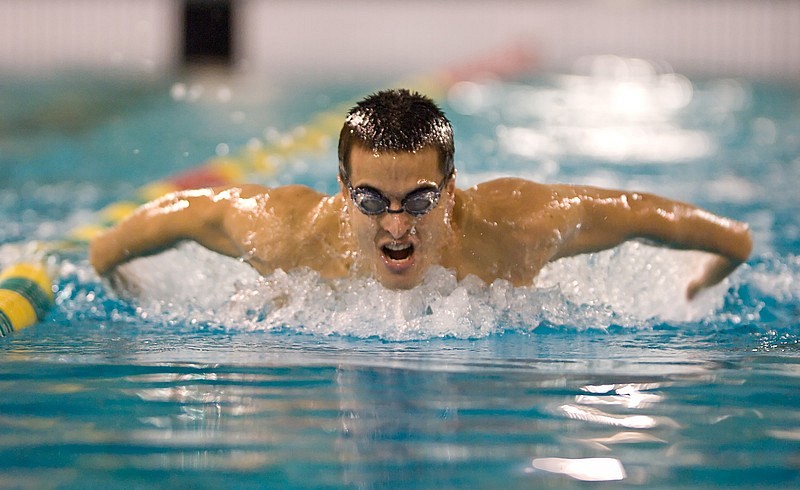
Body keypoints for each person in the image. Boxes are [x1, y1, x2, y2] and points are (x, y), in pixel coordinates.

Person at [89, 89, 752, 299]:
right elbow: (122, 240)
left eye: (422, 200)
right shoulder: (283, 232)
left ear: (453, 188)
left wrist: (705, 278)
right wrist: (125, 285)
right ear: (343, 191)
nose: (398, 227)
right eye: (374, 201)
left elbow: (657, 219)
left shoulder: (517, 228)